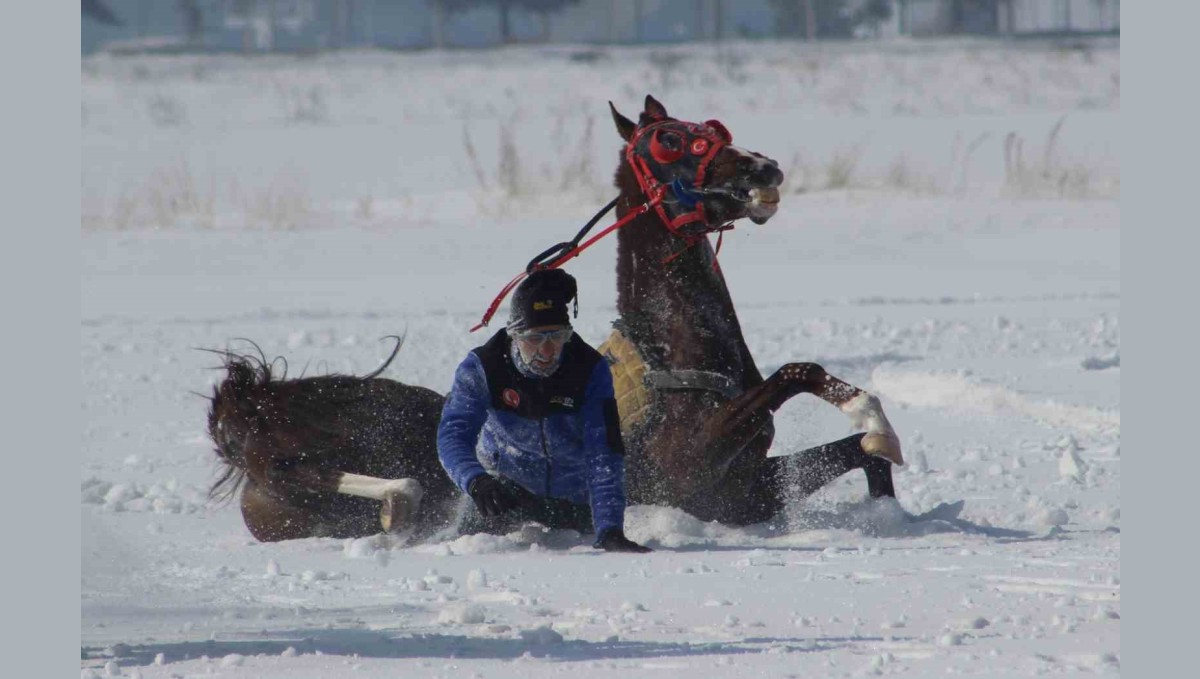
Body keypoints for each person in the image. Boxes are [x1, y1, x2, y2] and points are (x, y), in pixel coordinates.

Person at [437, 269, 651, 553]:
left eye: (557, 337)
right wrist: (476, 481)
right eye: (535, 339)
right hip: (504, 492)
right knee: (463, 546)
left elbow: (604, 455)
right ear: (514, 334)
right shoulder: (482, 368)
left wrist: (610, 529)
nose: (547, 350)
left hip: (576, 501)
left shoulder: (590, 369)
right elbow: (453, 436)